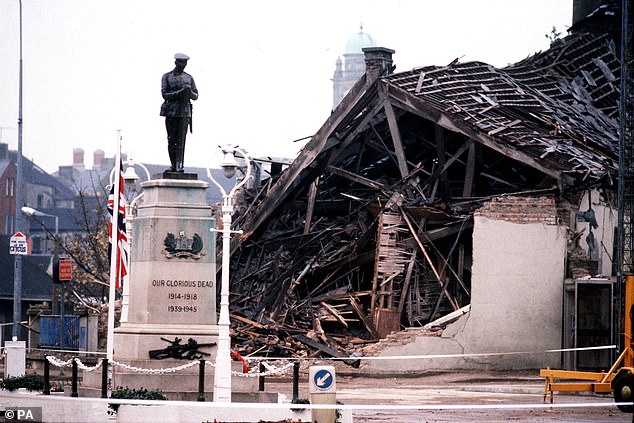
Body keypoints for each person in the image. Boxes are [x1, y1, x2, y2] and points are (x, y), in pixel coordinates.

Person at [160, 53, 199, 172]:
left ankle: (179, 165)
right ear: (176, 62)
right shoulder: (167, 77)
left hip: (184, 112)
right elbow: (164, 94)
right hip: (171, 112)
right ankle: (173, 165)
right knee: (171, 140)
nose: (183, 65)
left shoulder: (189, 78)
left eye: (185, 63)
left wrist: (189, 92)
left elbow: (196, 95)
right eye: (181, 63)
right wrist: (180, 93)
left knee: (181, 140)